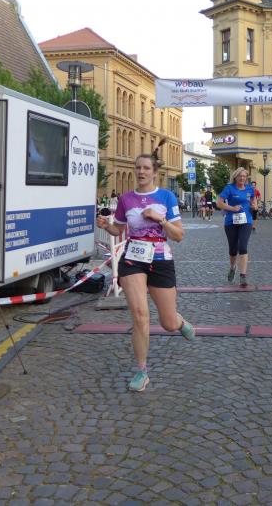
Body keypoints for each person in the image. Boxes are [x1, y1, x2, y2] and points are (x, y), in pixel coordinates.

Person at [95, 153, 195, 392]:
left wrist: (159, 219)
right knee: (140, 315)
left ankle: (179, 322)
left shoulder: (166, 197)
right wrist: (106, 226)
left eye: (146, 168)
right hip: (133, 260)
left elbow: (178, 235)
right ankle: (142, 371)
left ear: (154, 172)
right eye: (138, 167)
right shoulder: (126, 199)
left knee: (167, 322)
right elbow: (118, 229)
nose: (141, 172)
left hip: (160, 259)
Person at [218, 167, 257, 287]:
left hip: (246, 221)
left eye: (244, 176)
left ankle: (243, 276)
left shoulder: (250, 189)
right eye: (240, 176)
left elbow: (254, 201)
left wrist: (254, 206)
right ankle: (232, 267)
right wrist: (232, 208)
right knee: (233, 250)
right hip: (231, 222)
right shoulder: (229, 188)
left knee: (243, 247)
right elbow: (219, 203)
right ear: (235, 177)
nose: (242, 178)